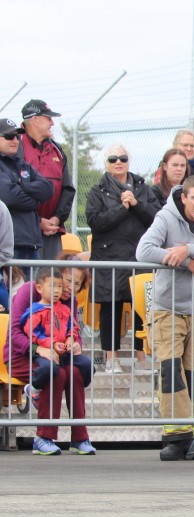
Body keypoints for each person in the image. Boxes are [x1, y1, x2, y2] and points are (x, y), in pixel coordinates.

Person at [136, 175, 194, 461]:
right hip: (168, 305)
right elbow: (143, 250)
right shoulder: (166, 216)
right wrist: (188, 262)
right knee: (171, 370)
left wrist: (189, 250)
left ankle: (190, 436)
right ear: (184, 198)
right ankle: (175, 436)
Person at [6, 257, 94, 456]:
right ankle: (43, 437)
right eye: (67, 280)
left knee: (75, 371)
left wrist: (74, 342)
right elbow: (15, 333)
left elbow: (73, 329)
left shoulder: (69, 300)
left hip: (57, 355)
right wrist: (39, 349)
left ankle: (80, 437)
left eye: (77, 284)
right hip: (23, 354)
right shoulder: (30, 291)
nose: (70, 287)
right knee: (58, 374)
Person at [86, 144, 160, 373]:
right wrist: (122, 207)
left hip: (138, 255)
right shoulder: (97, 191)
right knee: (111, 307)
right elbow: (95, 222)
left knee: (141, 307)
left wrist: (136, 204)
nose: (118, 162)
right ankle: (111, 359)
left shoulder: (143, 188)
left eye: (123, 158)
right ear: (106, 164)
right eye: (112, 158)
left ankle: (142, 357)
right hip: (109, 256)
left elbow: (157, 218)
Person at [16, 100, 75, 261]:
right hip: (23, 233)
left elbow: (68, 189)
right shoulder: (15, 146)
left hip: (52, 232)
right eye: (48, 118)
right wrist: (38, 221)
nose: (52, 122)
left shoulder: (57, 149)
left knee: (51, 282)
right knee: (25, 284)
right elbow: (14, 191)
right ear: (35, 120)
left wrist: (57, 218)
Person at [0, 117, 52, 261]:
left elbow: (48, 189)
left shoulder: (22, 164)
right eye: (9, 136)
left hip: (31, 245)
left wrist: (22, 186)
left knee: (33, 284)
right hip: (9, 249)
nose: (15, 141)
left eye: (17, 136)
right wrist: (35, 201)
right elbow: (9, 197)